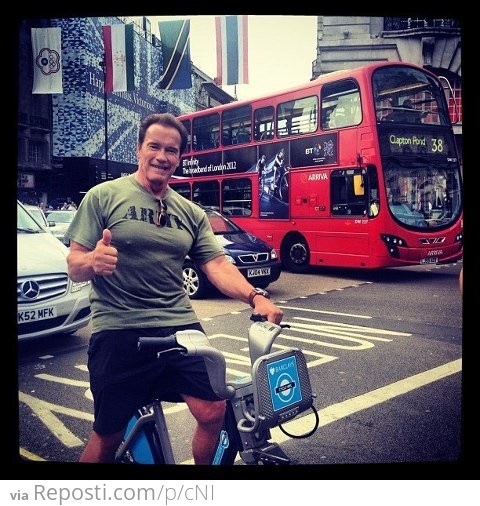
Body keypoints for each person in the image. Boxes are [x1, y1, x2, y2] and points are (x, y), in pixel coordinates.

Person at [65, 113, 283, 464]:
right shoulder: (103, 196)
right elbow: (74, 265)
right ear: (139, 149)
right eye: (154, 146)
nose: (162, 156)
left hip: (179, 325)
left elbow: (217, 265)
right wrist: (92, 262)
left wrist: (254, 296)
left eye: (172, 150)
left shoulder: (190, 212)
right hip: (120, 327)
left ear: (179, 157)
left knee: (213, 409)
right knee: (108, 434)